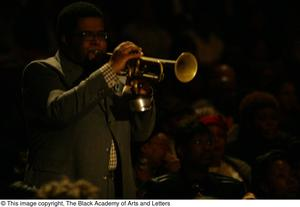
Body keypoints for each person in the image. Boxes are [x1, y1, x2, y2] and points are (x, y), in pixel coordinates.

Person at [21, 1, 155, 198]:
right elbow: (59, 112)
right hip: (67, 192)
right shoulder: (41, 71)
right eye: (86, 35)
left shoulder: (112, 77)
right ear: (65, 39)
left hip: (116, 190)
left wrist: (143, 98)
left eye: (101, 35)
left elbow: (141, 133)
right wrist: (110, 70)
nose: (97, 42)